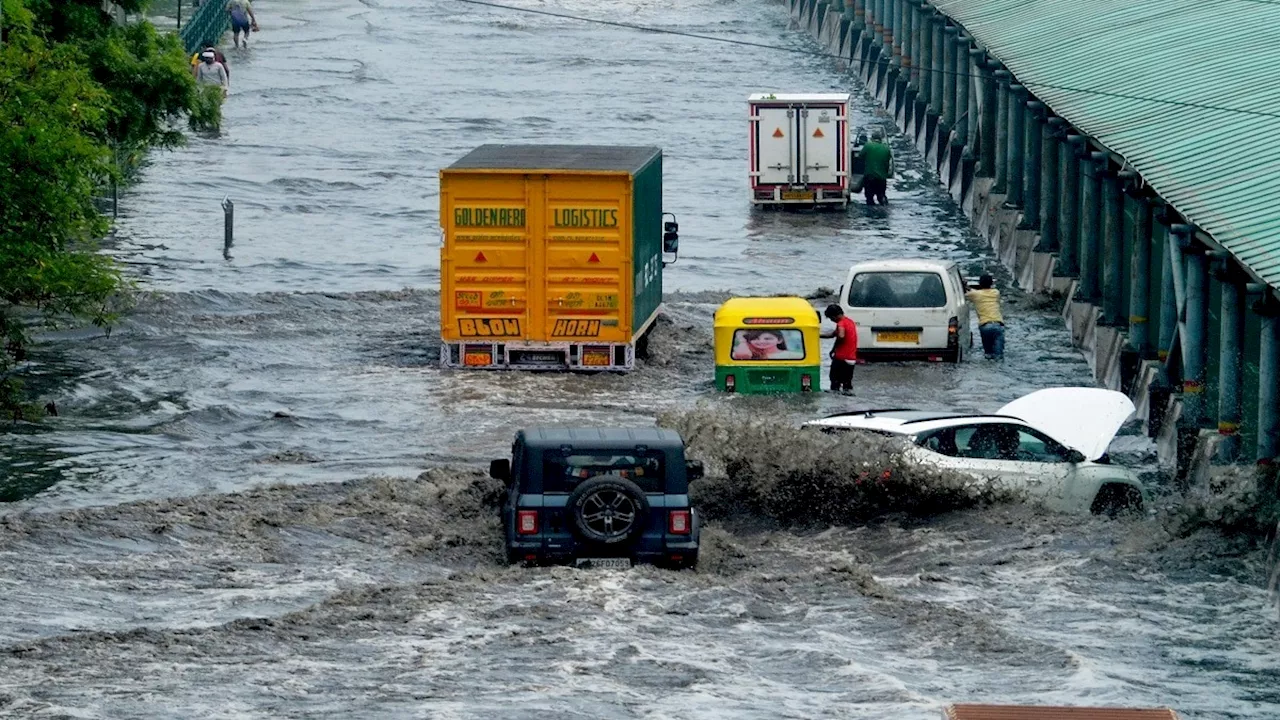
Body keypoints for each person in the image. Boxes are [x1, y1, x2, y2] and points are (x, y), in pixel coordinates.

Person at [965, 273, 1005, 359]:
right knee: (999, 356)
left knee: (988, 354)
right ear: (991, 284)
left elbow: (968, 293)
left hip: (985, 326)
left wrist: (965, 285)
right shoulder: (996, 292)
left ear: (980, 283)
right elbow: (979, 292)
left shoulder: (975, 295)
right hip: (998, 325)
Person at [820, 304, 858, 392]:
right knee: (847, 385)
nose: (831, 320)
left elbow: (841, 335)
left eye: (830, 318)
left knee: (834, 383)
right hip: (851, 358)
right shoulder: (850, 322)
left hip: (841, 358)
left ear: (834, 316)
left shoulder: (841, 324)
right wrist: (817, 335)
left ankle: (835, 403)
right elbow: (832, 335)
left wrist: (835, 348)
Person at [859, 128, 893, 206]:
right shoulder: (886, 148)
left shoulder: (868, 145)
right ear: (881, 139)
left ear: (872, 138)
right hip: (882, 178)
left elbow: (860, 156)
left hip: (870, 177)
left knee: (869, 198)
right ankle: (884, 205)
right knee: (881, 196)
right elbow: (888, 163)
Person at [731, 330, 804, 361]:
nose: (761, 342)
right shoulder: (749, 353)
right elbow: (741, 354)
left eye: (768, 339)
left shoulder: (793, 355)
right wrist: (743, 341)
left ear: (779, 340)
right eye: (756, 339)